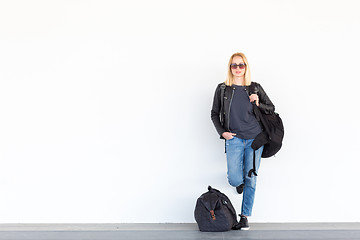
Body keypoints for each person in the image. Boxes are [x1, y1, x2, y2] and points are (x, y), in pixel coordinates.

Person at [211, 52, 275, 230]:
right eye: (234, 65)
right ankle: (238, 184)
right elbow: (214, 113)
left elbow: (271, 108)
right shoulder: (223, 89)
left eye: (241, 65)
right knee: (234, 178)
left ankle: (244, 217)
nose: (238, 68)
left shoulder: (255, 88)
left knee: (252, 179)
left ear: (246, 67)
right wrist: (222, 132)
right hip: (234, 139)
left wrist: (258, 103)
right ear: (230, 68)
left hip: (255, 139)